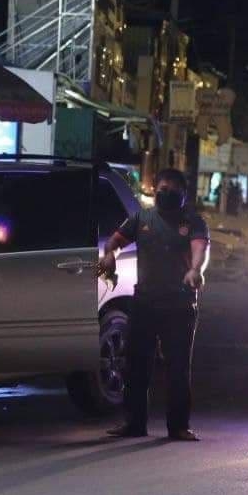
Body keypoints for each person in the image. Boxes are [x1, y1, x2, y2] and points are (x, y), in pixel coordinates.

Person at [100, 169, 210, 441]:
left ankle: (179, 427)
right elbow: (115, 240)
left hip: (179, 303)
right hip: (145, 301)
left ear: (183, 195)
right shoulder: (142, 218)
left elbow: (200, 249)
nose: (166, 193)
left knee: (178, 367)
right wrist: (109, 255)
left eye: (173, 190)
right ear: (155, 188)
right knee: (136, 365)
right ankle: (134, 423)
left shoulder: (193, 221)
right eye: (162, 188)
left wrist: (195, 270)